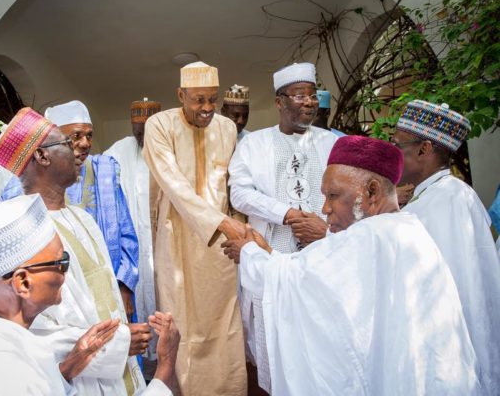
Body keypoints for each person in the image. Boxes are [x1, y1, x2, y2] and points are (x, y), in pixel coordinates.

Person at [223, 135, 478, 395]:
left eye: (333, 196)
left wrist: (249, 253)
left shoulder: (369, 237)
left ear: (372, 191)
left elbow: (298, 284)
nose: (325, 209)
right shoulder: (403, 228)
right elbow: (309, 273)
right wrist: (265, 252)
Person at [0, 194, 181, 395]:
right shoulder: (7, 369)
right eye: (61, 262)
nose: (68, 273)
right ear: (22, 282)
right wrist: (165, 368)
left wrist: (66, 371)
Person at [0, 107, 163, 395]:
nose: (80, 150)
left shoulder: (82, 219)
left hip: (114, 370)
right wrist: (116, 344)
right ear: (42, 156)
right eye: (67, 143)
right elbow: (31, 327)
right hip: (72, 380)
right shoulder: (19, 230)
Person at [228, 62, 338, 392]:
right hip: (270, 258)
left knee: (319, 346)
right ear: (280, 102)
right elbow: (239, 193)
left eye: (312, 95)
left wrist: (321, 226)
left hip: (323, 259)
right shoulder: (254, 144)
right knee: (271, 346)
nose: (308, 102)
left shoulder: (333, 144)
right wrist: (287, 214)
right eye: (300, 95)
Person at [143, 61, 247, 395]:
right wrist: (221, 222)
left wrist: (239, 229)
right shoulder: (159, 125)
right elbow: (172, 184)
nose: (206, 108)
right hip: (177, 241)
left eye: (212, 100)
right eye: (197, 100)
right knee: (181, 325)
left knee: (224, 325)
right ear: (180, 95)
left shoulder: (227, 128)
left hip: (220, 248)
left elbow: (232, 186)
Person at [392, 100, 500, 395]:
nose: (393, 154)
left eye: (397, 145)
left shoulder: (449, 199)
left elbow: (452, 288)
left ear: (424, 149)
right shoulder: (432, 195)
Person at [1, 100, 139, 322]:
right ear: (43, 154)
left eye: (89, 135)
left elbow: (126, 232)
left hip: (105, 282)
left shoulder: (103, 172)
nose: (84, 143)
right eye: (73, 138)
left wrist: (123, 286)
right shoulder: (18, 200)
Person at [105, 97, 161, 365]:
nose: (140, 135)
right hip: (132, 244)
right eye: (136, 129)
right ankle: (144, 367)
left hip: (163, 244)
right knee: (137, 299)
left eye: (146, 129)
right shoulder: (118, 151)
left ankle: (166, 359)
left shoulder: (168, 148)